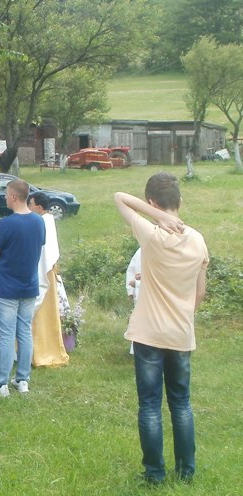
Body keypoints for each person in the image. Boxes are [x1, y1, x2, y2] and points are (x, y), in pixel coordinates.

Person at [115, 172, 208, 484]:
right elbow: (200, 293)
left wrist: (154, 215)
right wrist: (183, 315)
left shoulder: (151, 235)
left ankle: (154, 474)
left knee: (150, 406)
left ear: (152, 202)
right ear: (180, 201)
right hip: (181, 334)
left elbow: (119, 197)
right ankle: (186, 472)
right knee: (181, 404)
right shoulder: (197, 240)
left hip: (148, 334)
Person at [0, 179, 45, 397]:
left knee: (7, 334)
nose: (5, 197)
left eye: (6, 194)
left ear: (14, 197)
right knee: (25, 332)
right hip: (29, 286)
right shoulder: (39, 222)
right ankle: (22, 380)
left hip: (7, 287)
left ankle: (0, 384)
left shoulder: (6, 224)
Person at [28, 191, 69, 368]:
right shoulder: (48, 220)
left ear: (38, 207)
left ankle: (40, 351)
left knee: (40, 313)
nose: (28, 208)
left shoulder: (42, 221)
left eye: (30, 205)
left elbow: (42, 249)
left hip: (41, 270)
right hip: (47, 270)